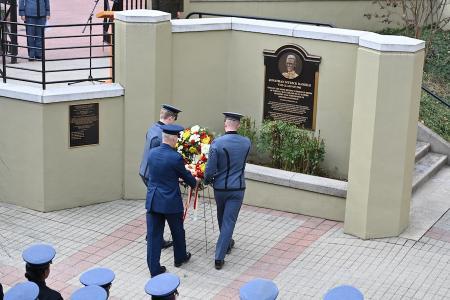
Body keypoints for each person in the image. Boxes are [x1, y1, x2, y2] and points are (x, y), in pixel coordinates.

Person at [145, 124, 199, 277]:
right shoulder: (175, 157)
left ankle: (154, 269)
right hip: (170, 202)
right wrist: (194, 182)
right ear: (174, 139)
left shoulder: (152, 153)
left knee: (154, 236)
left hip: (154, 200)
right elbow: (187, 178)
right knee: (177, 231)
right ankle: (179, 258)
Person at [204, 112, 251, 270]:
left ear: (225, 124)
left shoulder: (217, 143)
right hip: (237, 188)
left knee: (221, 217)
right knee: (228, 221)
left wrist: (207, 180)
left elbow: (210, 169)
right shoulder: (246, 142)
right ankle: (226, 245)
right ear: (238, 125)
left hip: (220, 188)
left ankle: (220, 255)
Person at [140, 104, 182, 250]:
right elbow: (161, 160)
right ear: (169, 118)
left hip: (144, 172)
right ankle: (154, 237)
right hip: (153, 175)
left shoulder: (153, 128)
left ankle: (152, 236)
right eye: (174, 120)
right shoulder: (160, 136)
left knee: (156, 205)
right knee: (160, 206)